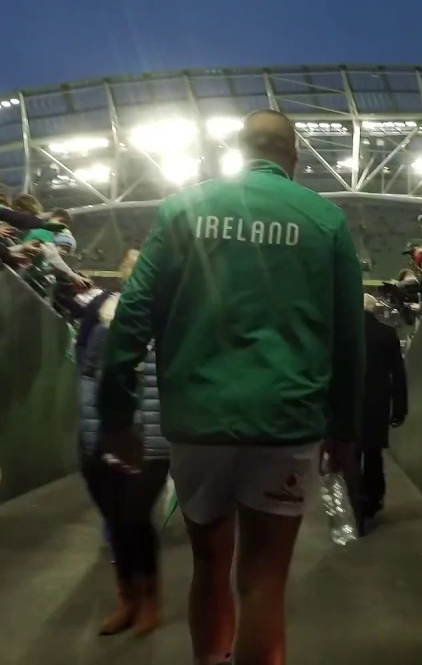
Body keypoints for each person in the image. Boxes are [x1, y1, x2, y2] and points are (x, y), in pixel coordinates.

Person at [98, 108, 364, 665]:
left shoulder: (182, 210)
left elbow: (131, 318)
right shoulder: (324, 220)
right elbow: (348, 336)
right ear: (293, 156)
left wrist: (117, 416)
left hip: (198, 424)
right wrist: (345, 428)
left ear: (239, 151)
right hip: (285, 423)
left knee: (209, 567)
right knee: (264, 580)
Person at [77, 249, 170, 637]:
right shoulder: (100, 316)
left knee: (134, 518)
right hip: (101, 436)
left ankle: (149, 600)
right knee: (115, 522)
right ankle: (127, 599)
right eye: (134, 273)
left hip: (151, 438)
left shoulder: (172, 321)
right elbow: (85, 374)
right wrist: (89, 435)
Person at [357, 294, 406, 532]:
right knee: (373, 454)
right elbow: (398, 375)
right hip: (377, 403)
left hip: (350, 403)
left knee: (351, 454)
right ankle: (373, 500)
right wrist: (400, 408)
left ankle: (353, 503)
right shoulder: (387, 334)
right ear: (374, 310)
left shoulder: (345, 333)